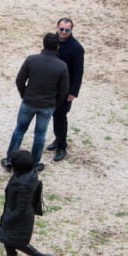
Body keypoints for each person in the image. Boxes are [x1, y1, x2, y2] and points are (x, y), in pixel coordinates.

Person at [2, 33, 69, 171]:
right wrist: (54, 104)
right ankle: (34, 164)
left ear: (43, 44)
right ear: (57, 46)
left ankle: (9, 160)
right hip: (47, 106)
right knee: (40, 135)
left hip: (29, 102)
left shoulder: (32, 60)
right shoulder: (61, 66)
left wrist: (24, 95)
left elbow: (19, 80)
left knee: (19, 130)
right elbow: (64, 90)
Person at [0, 149, 52, 256]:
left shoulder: (23, 185)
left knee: (13, 244)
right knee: (12, 244)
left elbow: (21, 209)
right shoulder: (28, 175)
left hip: (19, 221)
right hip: (18, 219)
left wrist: (7, 219)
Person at [47, 17, 85, 162]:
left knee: (61, 115)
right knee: (55, 114)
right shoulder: (53, 41)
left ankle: (62, 146)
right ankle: (58, 139)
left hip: (65, 89)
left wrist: (73, 91)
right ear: (57, 27)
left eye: (67, 30)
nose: (63, 32)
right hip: (53, 86)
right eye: (61, 29)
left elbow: (78, 72)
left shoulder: (76, 48)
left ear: (71, 30)